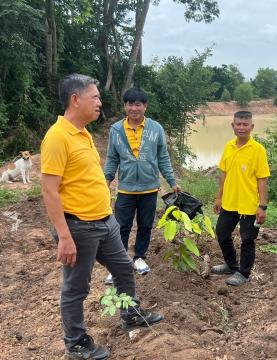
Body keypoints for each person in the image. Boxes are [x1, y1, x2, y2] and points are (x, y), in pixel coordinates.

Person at [41, 74, 164, 359]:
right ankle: (76, 342)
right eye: (95, 97)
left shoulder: (82, 132)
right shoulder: (58, 137)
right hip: (79, 226)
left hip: (105, 221)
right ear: (75, 99)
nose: (100, 102)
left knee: (123, 268)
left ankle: (130, 314)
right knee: (76, 288)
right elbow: (48, 190)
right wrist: (64, 235)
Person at [104, 88, 180, 284]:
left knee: (145, 226)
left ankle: (139, 258)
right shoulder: (116, 130)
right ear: (125, 106)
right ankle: (118, 265)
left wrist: (172, 181)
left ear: (145, 106)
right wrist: (107, 180)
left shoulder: (156, 129)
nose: (133, 108)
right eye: (129, 104)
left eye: (138, 104)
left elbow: (163, 157)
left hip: (149, 188)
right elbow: (112, 158)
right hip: (126, 189)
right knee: (121, 227)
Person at [212, 111, 270, 286]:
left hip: (249, 205)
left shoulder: (258, 150)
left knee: (247, 239)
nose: (241, 128)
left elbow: (263, 179)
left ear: (251, 127)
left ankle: (243, 273)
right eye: (238, 124)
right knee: (221, 233)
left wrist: (262, 206)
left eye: (245, 125)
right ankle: (231, 265)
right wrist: (218, 197)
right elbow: (223, 174)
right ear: (233, 126)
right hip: (229, 202)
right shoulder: (229, 146)